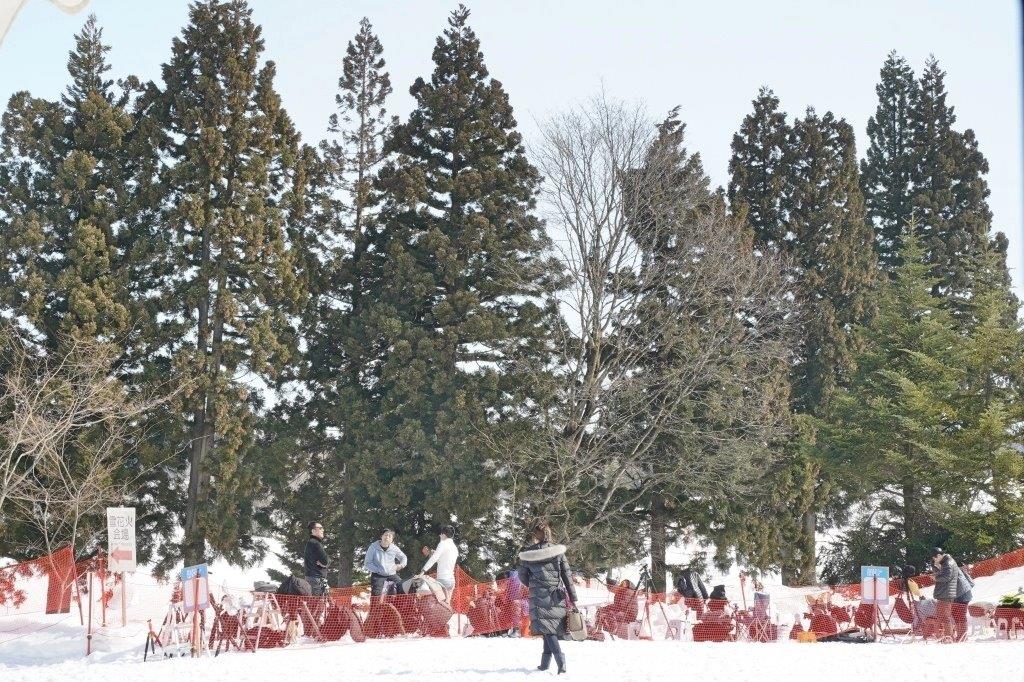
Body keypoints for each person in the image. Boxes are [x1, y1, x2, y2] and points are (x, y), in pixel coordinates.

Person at [518, 521, 576, 675]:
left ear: (535, 536)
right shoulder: (558, 552)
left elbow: (522, 577)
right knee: (548, 629)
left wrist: (534, 584)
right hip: (557, 595)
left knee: (548, 631)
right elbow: (567, 576)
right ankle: (544, 664)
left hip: (538, 596)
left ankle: (561, 662)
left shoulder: (528, 554)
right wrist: (573, 597)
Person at [931, 547, 973, 641]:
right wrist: (936, 567)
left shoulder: (948, 562)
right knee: (955, 614)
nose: (934, 560)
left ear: (938, 556)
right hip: (956, 592)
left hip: (962, 592)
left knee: (960, 614)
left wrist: (936, 578)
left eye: (934, 558)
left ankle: (962, 637)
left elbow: (946, 577)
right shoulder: (945, 562)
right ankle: (960, 637)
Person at [363, 529, 408, 597]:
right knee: (376, 594)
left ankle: (398, 606)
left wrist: (401, 565)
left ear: (392, 539)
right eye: (385, 535)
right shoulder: (373, 547)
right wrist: (378, 570)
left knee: (402, 587)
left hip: (391, 573)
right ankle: (374, 607)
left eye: (390, 536)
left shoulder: (394, 548)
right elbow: (367, 563)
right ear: (381, 536)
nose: (387, 537)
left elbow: (403, 557)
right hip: (378, 574)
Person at [416, 524, 458, 591]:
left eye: (441, 534)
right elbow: (444, 560)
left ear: (443, 535)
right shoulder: (455, 548)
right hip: (451, 581)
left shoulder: (443, 544)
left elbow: (433, 559)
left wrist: (423, 571)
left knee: (423, 590)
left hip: (443, 580)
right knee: (446, 601)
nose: (439, 535)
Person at [303, 521, 330, 596]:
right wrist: (325, 564)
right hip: (315, 579)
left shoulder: (312, 542)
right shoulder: (315, 543)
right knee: (316, 605)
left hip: (315, 579)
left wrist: (325, 564)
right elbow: (326, 561)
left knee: (316, 605)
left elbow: (326, 562)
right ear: (313, 531)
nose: (323, 530)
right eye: (320, 528)